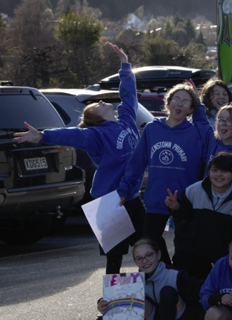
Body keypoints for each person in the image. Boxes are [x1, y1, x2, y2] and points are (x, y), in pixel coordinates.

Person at [14, 44, 143, 275]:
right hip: (109, 202)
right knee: (114, 260)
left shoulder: (125, 121)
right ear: (94, 118)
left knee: (150, 247)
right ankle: (112, 308)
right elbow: (72, 134)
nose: (103, 103)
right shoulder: (96, 135)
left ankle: (159, 299)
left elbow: (129, 95)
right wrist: (42, 136)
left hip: (132, 198)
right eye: (98, 105)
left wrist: (125, 65)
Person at [118, 83, 205, 267]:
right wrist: (124, 188)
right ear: (168, 102)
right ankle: (164, 278)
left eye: (186, 102)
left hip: (185, 203)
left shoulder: (196, 133)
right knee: (150, 246)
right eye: (176, 99)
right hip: (156, 200)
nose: (180, 104)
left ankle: (180, 284)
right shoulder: (152, 129)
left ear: (191, 109)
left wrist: (200, 106)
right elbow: (137, 164)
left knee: (185, 249)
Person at [99, 237, 205, 320]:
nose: (144, 261)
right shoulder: (137, 281)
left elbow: (203, 288)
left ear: (158, 255)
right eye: (139, 258)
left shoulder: (175, 275)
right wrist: (104, 305)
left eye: (148, 255)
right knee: (133, 297)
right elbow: (117, 302)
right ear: (135, 262)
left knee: (167, 292)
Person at [164, 152, 232, 279]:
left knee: (209, 292)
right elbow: (183, 216)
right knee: (184, 287)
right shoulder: (193, 190)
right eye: (214, 170)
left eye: (225, 171)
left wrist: (229, 258)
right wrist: (176, 207)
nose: (219, 175)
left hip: (218, 256)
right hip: (188, 250)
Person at [194, 104, 232, 191]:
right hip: (206, 200)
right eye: (220, 120)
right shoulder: (213, 141)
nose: (223, 123)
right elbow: (201, 122)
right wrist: (196, 100)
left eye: (228, 120)